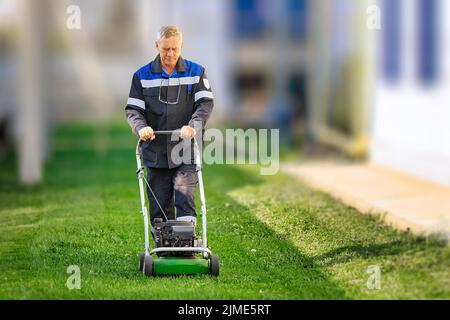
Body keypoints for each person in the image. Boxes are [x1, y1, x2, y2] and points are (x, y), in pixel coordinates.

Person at [125, 26, 214, 241]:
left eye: (174, 48)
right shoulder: (142, 76)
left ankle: (186, 243)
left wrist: (193, 125)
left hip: (185, 149)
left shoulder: (196, 72)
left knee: (184, 195)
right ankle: (163, 244)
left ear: (181, 46)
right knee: (159, 202)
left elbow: (205, 104)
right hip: (155, 151)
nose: (170, 54)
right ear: (157, 46)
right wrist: (141, 128)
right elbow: (133, 110)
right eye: (165, 49)